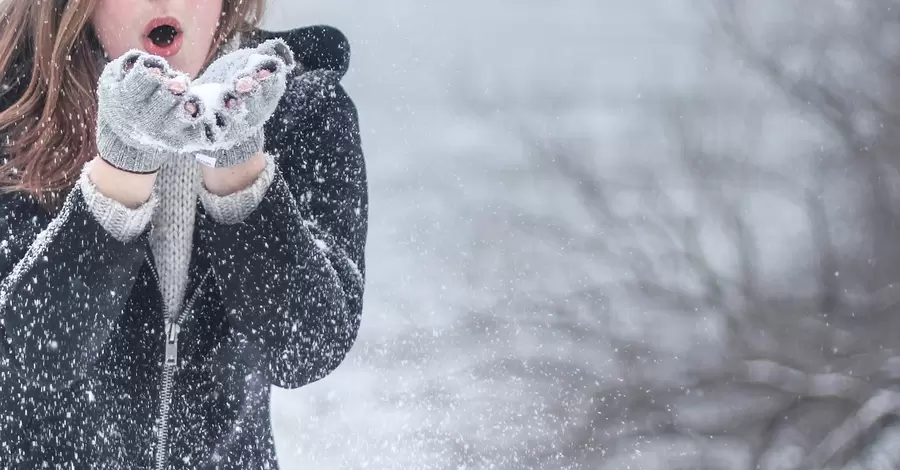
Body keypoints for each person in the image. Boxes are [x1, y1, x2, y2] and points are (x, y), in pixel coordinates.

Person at [0, 0, 368, 468]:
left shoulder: (300, 109)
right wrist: (121, 170)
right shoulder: (14, 112)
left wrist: (239, 164)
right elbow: (30, 357)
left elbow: (306, 349)